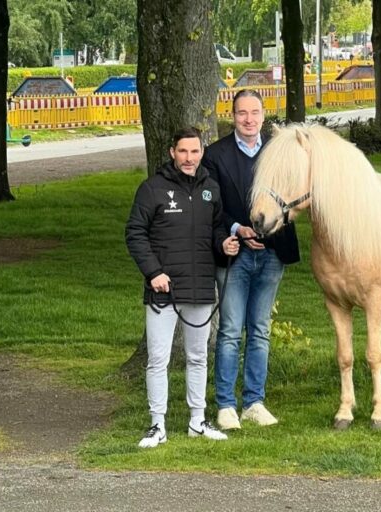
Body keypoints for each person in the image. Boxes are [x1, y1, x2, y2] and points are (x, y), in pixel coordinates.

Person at [125, 127, 238, 448]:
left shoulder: (210, 190)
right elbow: (135, 233)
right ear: (172, 153)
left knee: (198, 357)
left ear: (202, 152)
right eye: (183, 152)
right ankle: (156, 425)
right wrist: (153, 273)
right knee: (158, 359)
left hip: (201, 287)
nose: (189, 158)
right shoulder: (152, 189)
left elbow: (215, 231)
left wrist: (224, 245)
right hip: (163, 291)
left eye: (195, 151)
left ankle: (197, 421)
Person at [202, 89, 300, 429]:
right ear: (233, 115)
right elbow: (211, 205)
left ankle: (254, 402)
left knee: (259, 330)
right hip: (234, 255)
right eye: (242, 113)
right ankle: (226, 406)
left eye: (255, 112)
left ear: (263, 114)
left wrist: (269, 230)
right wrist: (237, 229)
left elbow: (293, 199)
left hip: (272, 254)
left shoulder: (278, 154)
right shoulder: (215, 156)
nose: (249, 119)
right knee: (230, 330)